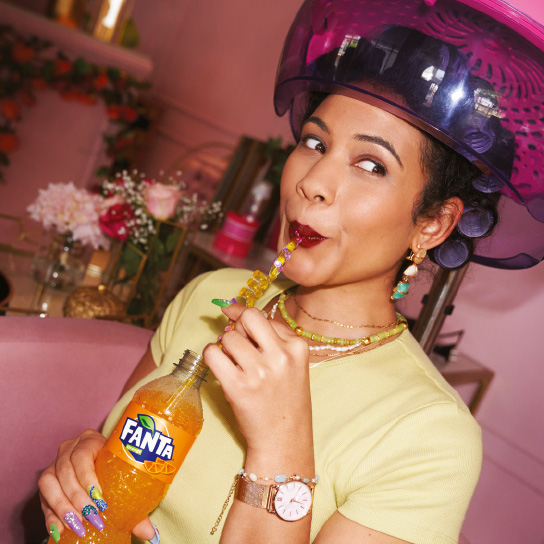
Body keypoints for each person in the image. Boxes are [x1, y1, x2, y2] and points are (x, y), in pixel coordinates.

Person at [38, 0, 544, 542]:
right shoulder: (210, 296)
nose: (314, 181)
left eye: (371, 165)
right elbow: (114, 461)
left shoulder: (431, 436)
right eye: (314, 142)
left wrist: (281, 441)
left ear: (433, 225)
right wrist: (83, 463)